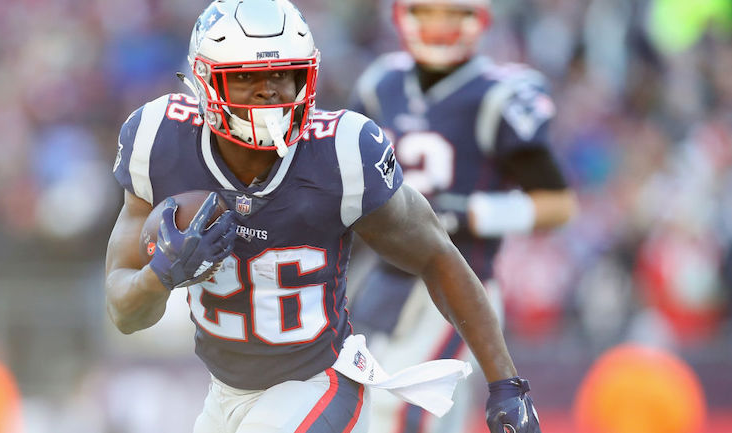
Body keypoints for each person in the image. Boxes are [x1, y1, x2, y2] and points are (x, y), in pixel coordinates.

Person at [105, 1, 542, 432]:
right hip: (223, 394)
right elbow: (124, 313)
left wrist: (506, 384)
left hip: (317, 384)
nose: (269, 90)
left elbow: (437, 256)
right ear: (204, 80)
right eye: (245, 76)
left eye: (283, 74)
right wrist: (160, 275)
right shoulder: (158, 139)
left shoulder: (342, 152)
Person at [347, 0, 577, 432]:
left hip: (458, 279)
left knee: (407, 415)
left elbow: (558, 204)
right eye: (427, 12)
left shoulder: (499, 94)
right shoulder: (380, 84)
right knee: (364, 409)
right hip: (382, 278)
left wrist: (467, 215)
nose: (438, 25)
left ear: (477, 19)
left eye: (451, 13)